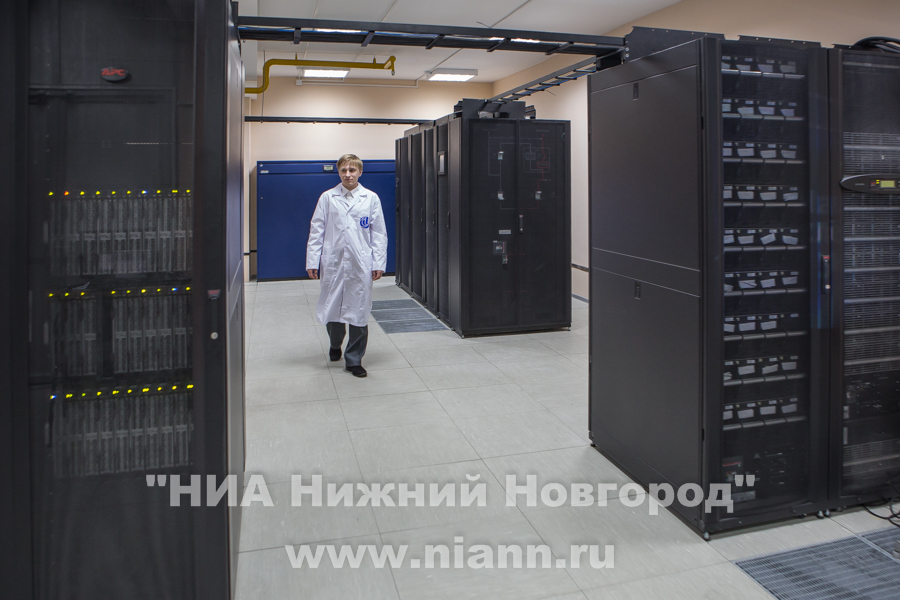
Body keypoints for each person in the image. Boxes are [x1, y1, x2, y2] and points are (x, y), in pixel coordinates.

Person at [306, 154, 387, 377]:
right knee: (332, 308)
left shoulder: (370, 198)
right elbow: (316, 230)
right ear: (338, 172)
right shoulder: (327, 197)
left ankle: (354, 359)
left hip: (360, 263)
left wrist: (378, 262)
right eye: (344, 170)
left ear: (360, 172)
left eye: (352, 170)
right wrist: (312, 260)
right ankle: (335, 344)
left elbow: (379, 233)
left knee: (359, 310)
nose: (348, 174)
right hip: (333, 262)